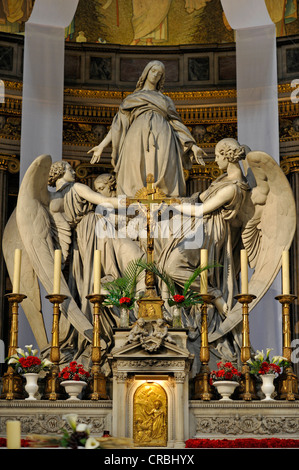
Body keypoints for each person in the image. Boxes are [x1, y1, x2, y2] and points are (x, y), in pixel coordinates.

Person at [156, 138, 250, 366]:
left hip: (208, 231)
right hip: (198, 228)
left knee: (172, 266)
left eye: (217, 155)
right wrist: (168, 201)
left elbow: (202, 209)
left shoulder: (233, 187)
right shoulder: (222, 180)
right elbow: (197, 198)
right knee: (162, 258)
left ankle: (215, 294)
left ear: (227, 156)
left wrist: (171, 205)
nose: (214, 159)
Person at [47, 161, 145, 367]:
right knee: (133, 260)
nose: (74, 171)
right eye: (70, 169)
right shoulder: (76, 188)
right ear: (60, 173)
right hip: (95, 228)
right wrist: (137, 201)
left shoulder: (53, 200)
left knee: (90, 279)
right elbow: (105, 202)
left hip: (80, 242)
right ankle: (126, 305)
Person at [88, 60, 206, 198]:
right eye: (153, 71)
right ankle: (134, 200)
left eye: (160, 73)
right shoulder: (132, 98)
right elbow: (117, 126)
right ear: (146, 72)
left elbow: (176, 124)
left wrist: (192, 146)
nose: (155, 75)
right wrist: (101, 146)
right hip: (136, 136)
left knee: (162, 167)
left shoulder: (166, 100)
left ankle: (162, 198)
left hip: (163, 136)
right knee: (135, 168)